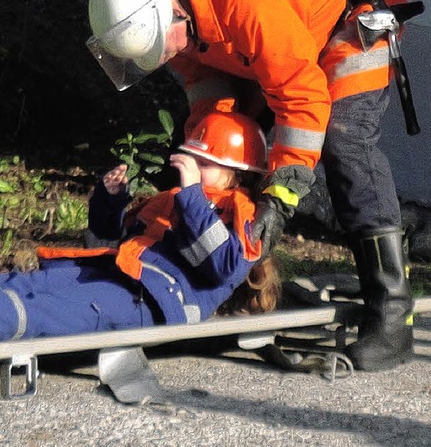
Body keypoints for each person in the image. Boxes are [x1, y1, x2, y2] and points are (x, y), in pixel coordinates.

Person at [85, 0, 422, 371]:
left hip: (355, 10)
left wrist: (279, 198)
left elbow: (302, 100)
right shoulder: (164, 7)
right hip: (291, 26)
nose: (164, 59)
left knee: (345, 141)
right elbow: (205, 80)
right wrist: (210, 151)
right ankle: (237, 280)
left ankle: (394, 317)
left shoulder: (247, 6)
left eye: (161, 49)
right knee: (236, 139)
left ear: (173, 14)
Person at [0, 109, 281, 340]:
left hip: (154, 299)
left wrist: (193, 196)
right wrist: (111, 202)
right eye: (193, 158)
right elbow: (108, 245)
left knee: (37, 309)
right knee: (22, 283)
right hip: (116, 274)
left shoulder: (241, 212)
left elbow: (224, 267)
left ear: (239, 175)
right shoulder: (175, 198)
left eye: (205, 163)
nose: (193, 168)